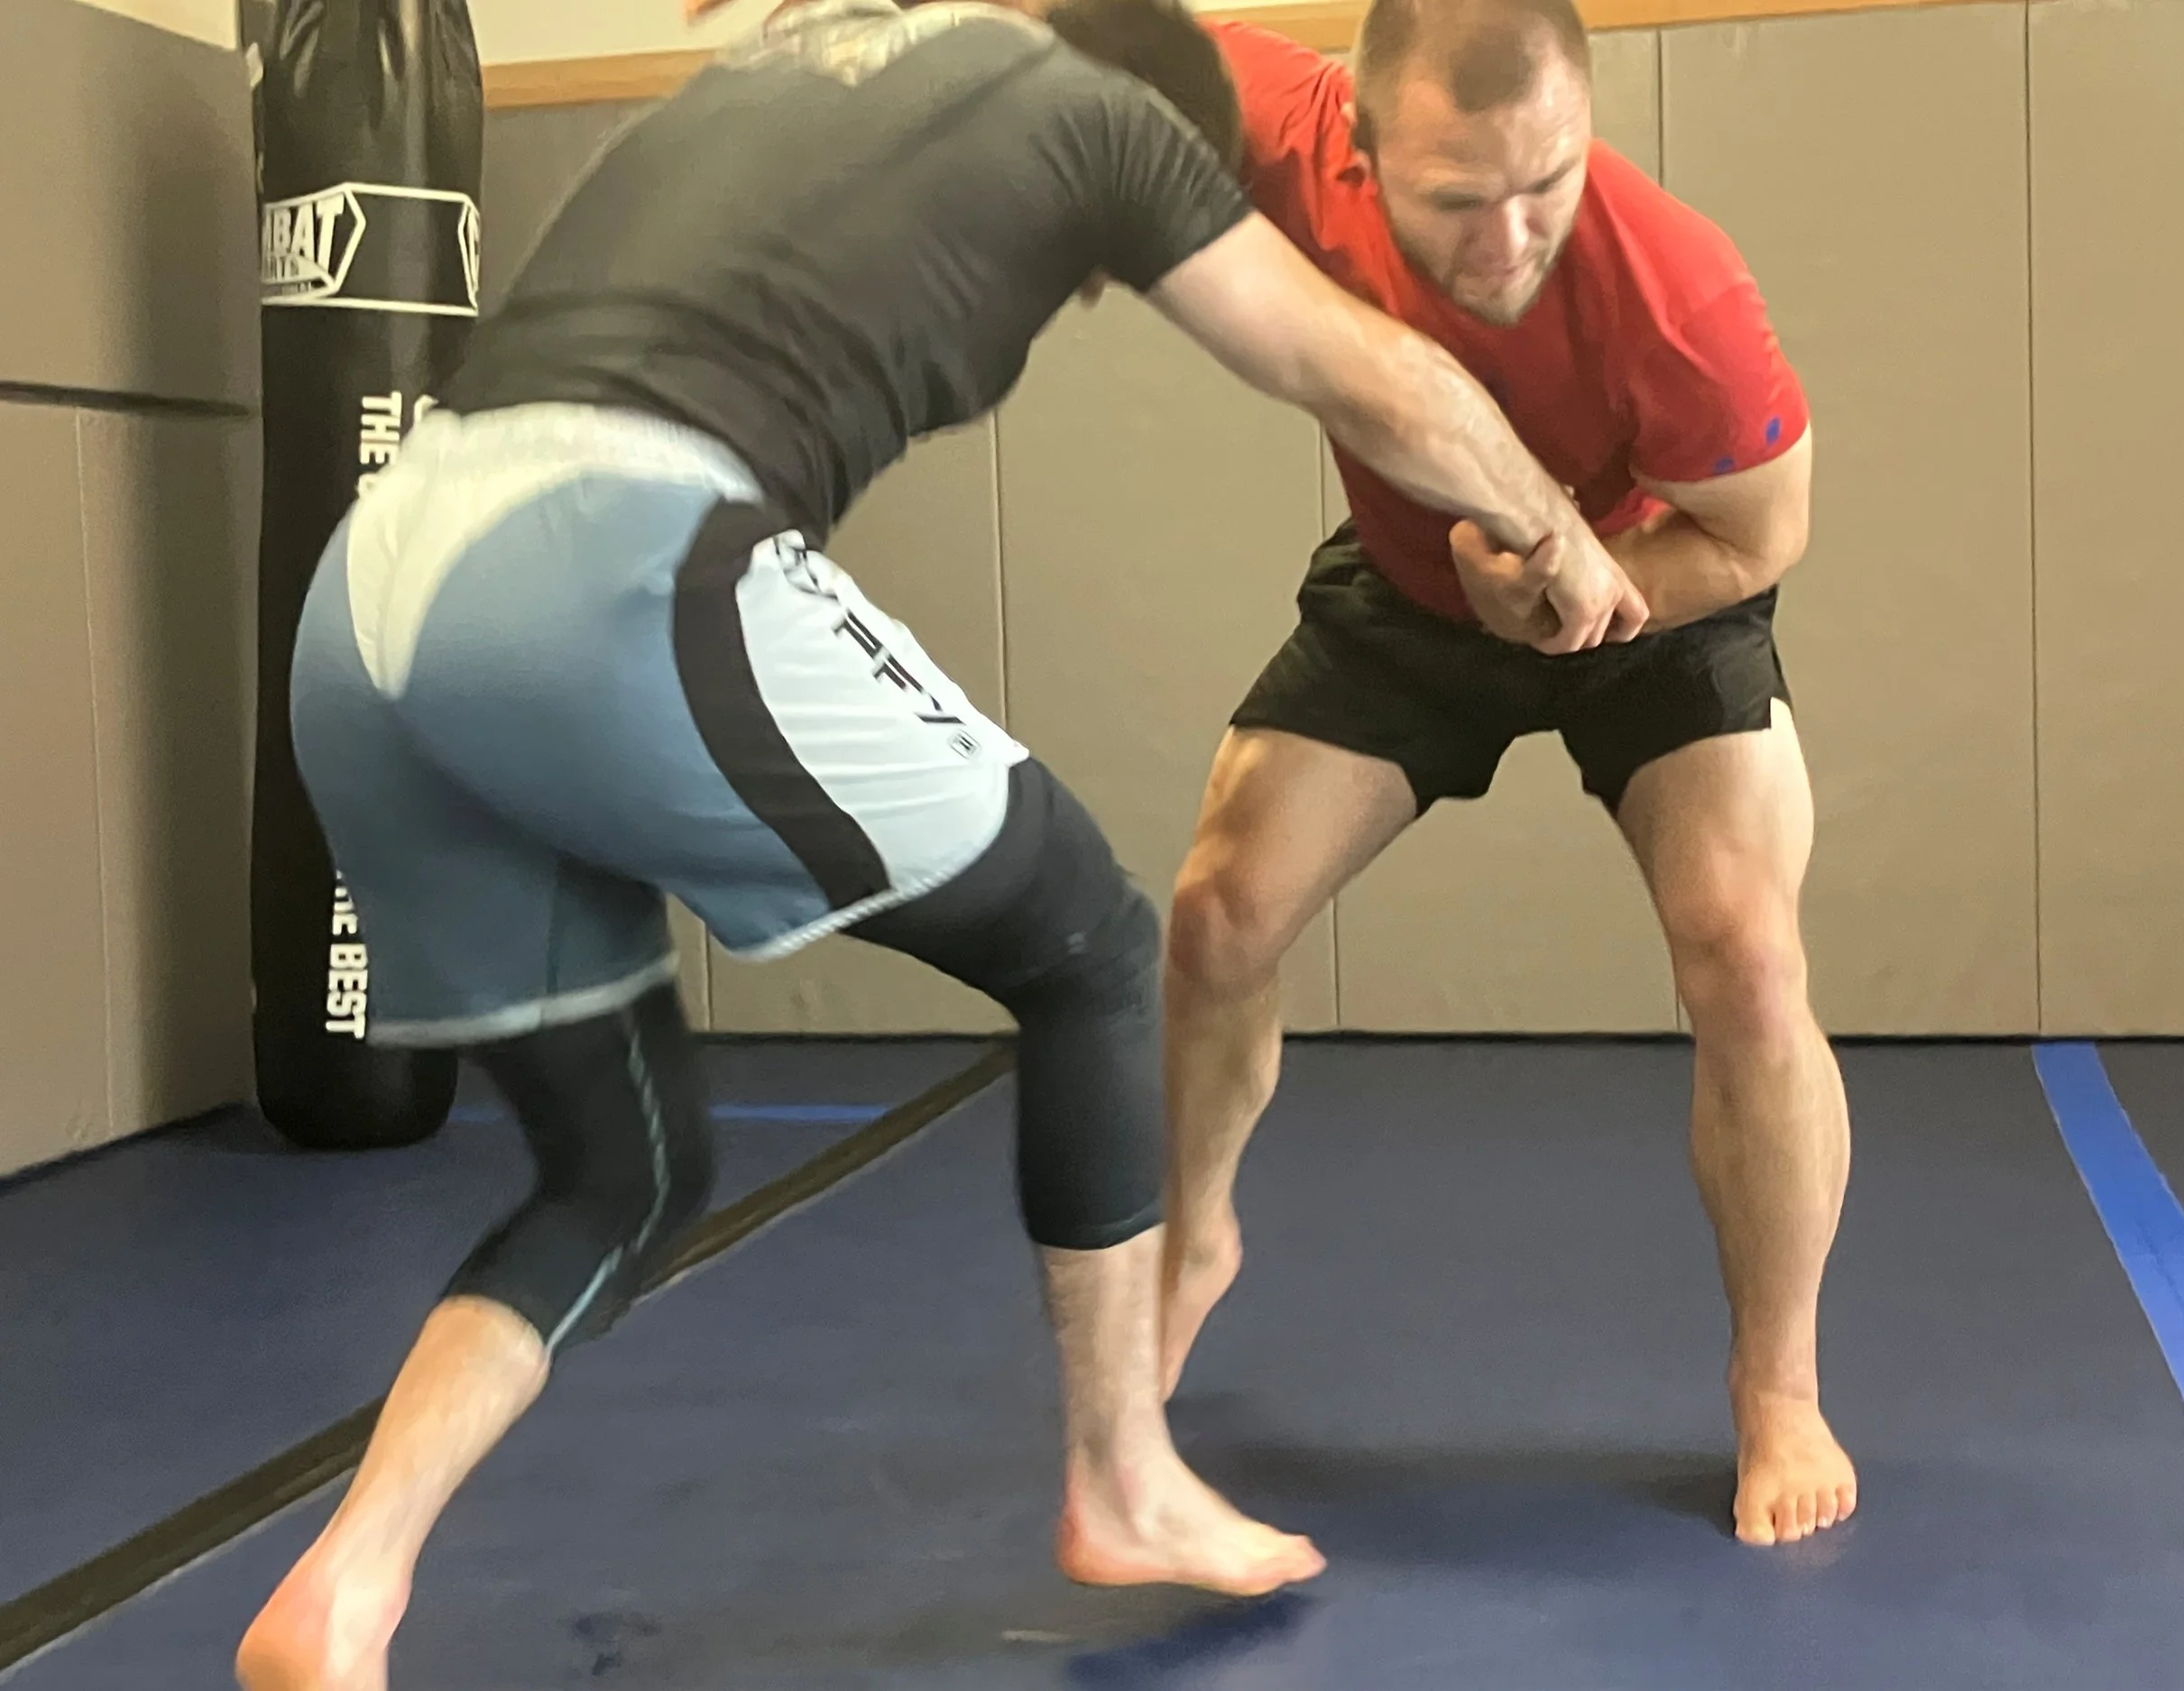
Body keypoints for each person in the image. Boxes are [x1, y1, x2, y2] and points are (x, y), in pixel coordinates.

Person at [236, 0, 1650, 1684]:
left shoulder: (823, 52)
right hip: (606, 549)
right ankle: (1126, 1477)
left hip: (371, 585)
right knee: (1093, 939)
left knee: (624, 1170)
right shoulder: (1104, 118)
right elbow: (1366, 368)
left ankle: (344, 1585)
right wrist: (1560, 539)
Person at [1157, 0, 1856, 1550]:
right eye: (1458, 201)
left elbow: (1761, 534)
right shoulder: (1286, 122)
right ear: (1357, 143)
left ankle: (1781, 1385)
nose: (1509, 238)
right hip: (1415, 590)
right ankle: (1195, 1235)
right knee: (1216, 913)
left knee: (1747, 952)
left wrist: (1575, 583)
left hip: (1660, 588)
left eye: (1546, 183)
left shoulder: (1677, 290)